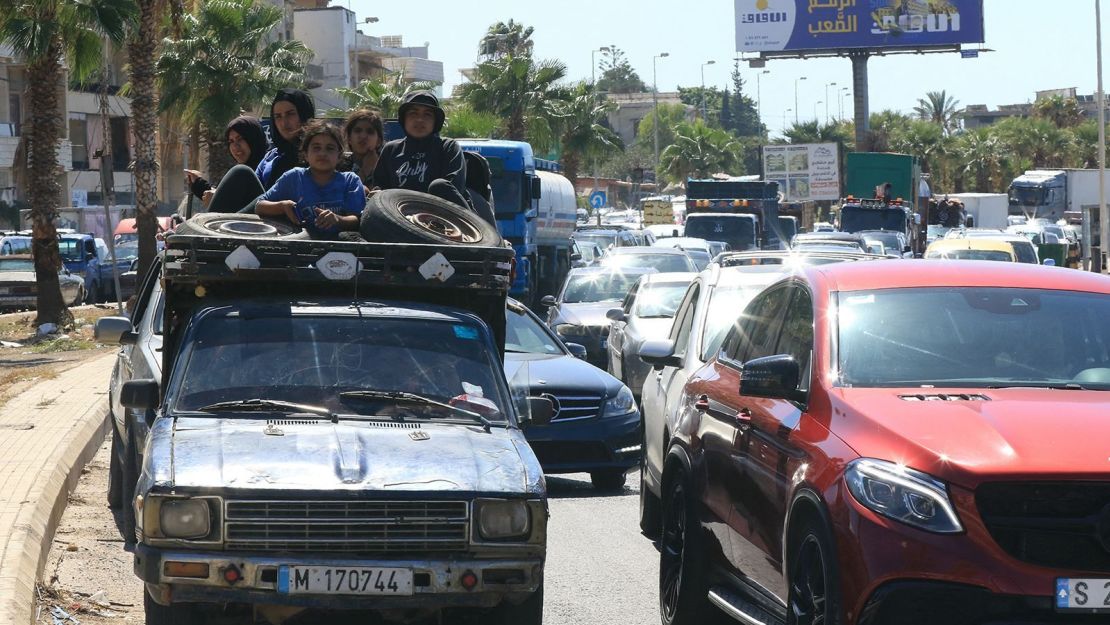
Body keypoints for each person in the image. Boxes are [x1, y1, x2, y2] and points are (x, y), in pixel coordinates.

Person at [207, 88, 316, 214]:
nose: (284, 122)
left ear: (303, 114)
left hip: (291, 216)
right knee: (241, 172)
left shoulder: (315, 152)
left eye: (290, 114)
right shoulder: (272, 156)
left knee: (241, 171)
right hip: (261, 217)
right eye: (278, 117)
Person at [255, 120, 364, 239]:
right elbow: (259, 206)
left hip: (339, 251)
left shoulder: (350, 181)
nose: (322, 153)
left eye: (330, 148)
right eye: (316, 148)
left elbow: (356, 220)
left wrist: (338, 219)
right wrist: (282, 206)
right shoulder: (294, 178)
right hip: (301, 249)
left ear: (339, 155)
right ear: (306, 154)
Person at [373, 90, 470, 209]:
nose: (420, 120)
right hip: (399, 217)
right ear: (404, 119)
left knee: (438, 185)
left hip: (447, 217)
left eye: (427, 114)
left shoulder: (448, 147)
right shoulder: (391, 150)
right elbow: (379, 188)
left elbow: (453, 190)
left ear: (436, 121)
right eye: (413, 113)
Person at [183, 115, 269, 208]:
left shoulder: (269, 169)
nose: (235, 146)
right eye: (231, 141)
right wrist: (199, 185)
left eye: (240, 139)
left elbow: (259, 207)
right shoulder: (238, 175)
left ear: (253, 138)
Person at [339, 109, 383, 189]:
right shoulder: (339, 165)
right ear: (349, 138)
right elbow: (343, 195)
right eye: (357, 131)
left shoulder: (387, 166)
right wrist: (365, 170)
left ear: (378, 141)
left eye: (370, 132)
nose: (363, 136)